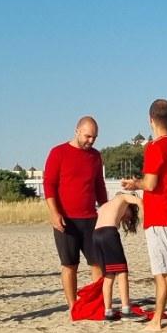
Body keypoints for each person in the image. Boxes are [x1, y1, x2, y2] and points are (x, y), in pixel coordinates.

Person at [131, 99, 167, 332]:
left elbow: (151, 183)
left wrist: (135, 183)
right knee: (161, 270)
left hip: (161, 215)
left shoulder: (156, 147)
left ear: (151, 119)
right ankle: (157, 318)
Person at [44, 116, 109, 306]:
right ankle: (73, 306)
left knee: (97, 263)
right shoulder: (58, 153)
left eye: (94, 138)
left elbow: (99, 186)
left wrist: (105, 211)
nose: (91, 141)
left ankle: (98, 303)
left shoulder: (95, 156)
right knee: (70, 264)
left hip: (90, 218)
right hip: (66, 220)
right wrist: (54, 213)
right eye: (88, 136)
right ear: (77, 131)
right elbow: (49, 185)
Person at [90, 189, 147, 320]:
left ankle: (108, 312)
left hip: (96, 235)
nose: (127, 218)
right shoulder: (123, 198)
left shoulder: (105, 206)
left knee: (109, 274)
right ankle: (126, 310)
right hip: (109, 233)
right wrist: (146, 215)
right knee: (122, 272)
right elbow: (140, 201)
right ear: (129, 207)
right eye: (129, 214)